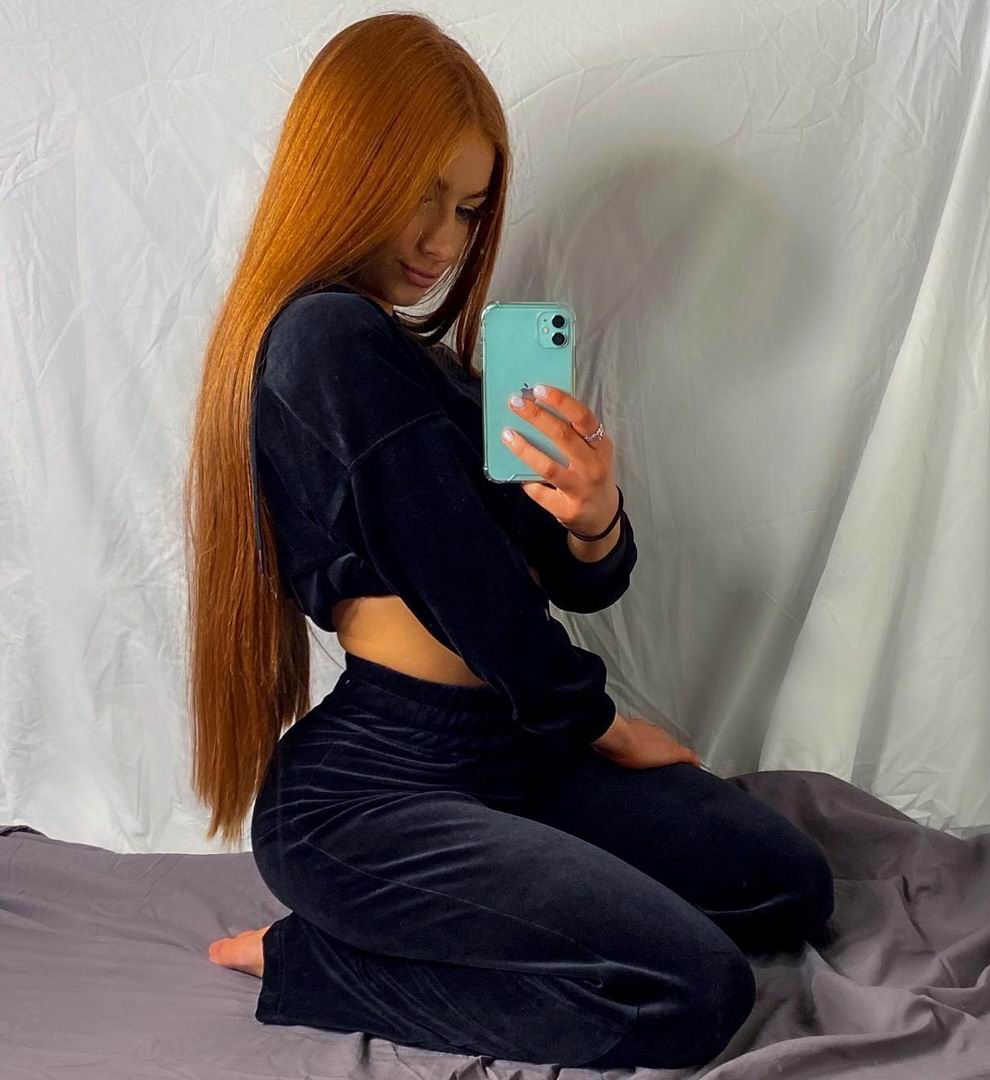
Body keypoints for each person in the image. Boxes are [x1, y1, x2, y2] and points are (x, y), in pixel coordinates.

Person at [185, 13, 833, 1070]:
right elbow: (463, 581)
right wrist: (599, 723)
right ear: (346, 174)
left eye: (469, 208)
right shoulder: (322, 339)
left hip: (512, 750)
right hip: (371, 787)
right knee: (694, 993)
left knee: (787, 888)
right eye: (422, 195)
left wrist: (593, 517)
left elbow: (571, 585)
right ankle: (315, 962)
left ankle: (506, 906)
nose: (444, 241)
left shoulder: (438, 370)